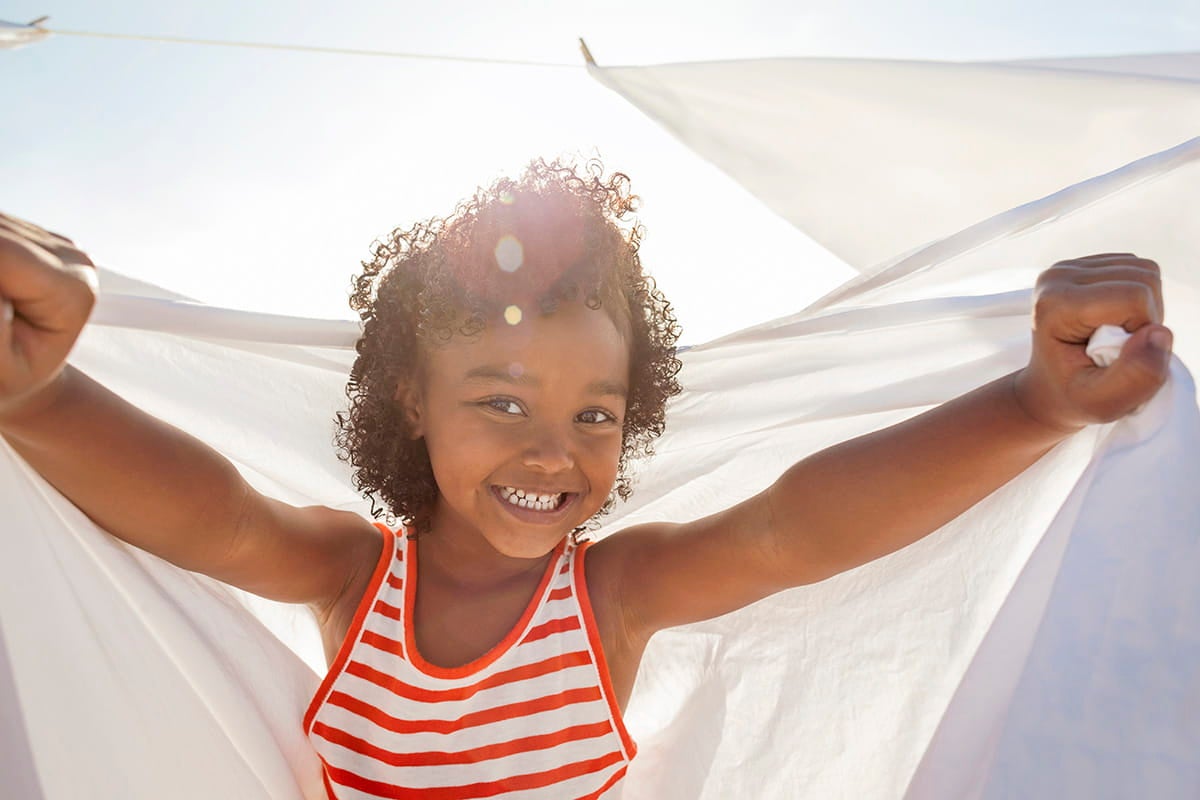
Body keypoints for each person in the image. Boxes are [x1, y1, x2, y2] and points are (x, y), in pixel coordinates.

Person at [0, 159, 1172, 799]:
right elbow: (210, 514)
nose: (552, 452)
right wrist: (38, 396)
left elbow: (795, 528)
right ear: (412, 399)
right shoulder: (352, 578)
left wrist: (1030, 405)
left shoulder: (611, 597)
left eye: (593, 413)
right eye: (501, 401)